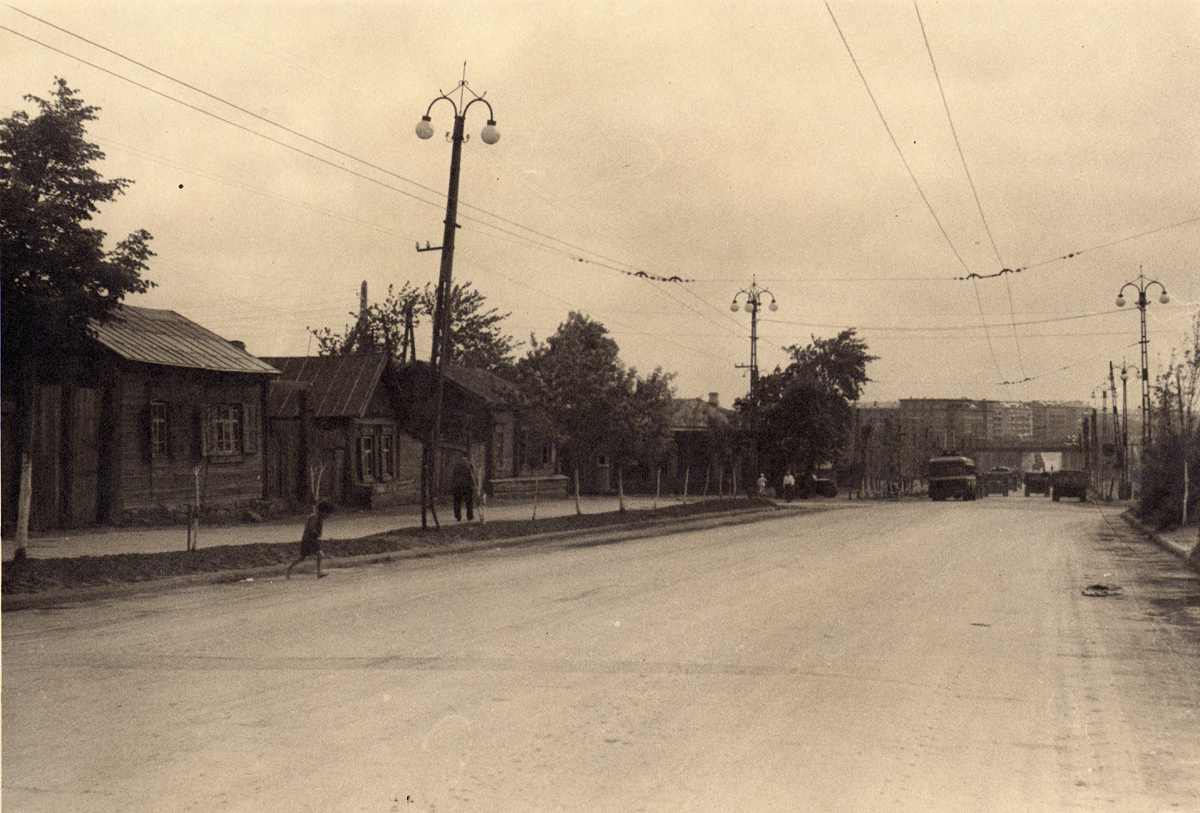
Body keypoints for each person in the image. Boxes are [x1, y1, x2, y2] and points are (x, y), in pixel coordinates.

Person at [287, 501, 331, 579]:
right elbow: (311, 527)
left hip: (307, 540)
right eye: (328, 514)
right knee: (320, 555)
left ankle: (288, 569)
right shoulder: (315, 517)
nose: (328, 516)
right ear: (323, 512)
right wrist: (316, 533)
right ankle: (319, 572)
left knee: (302, 558)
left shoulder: (317, 517)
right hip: (310, 540)